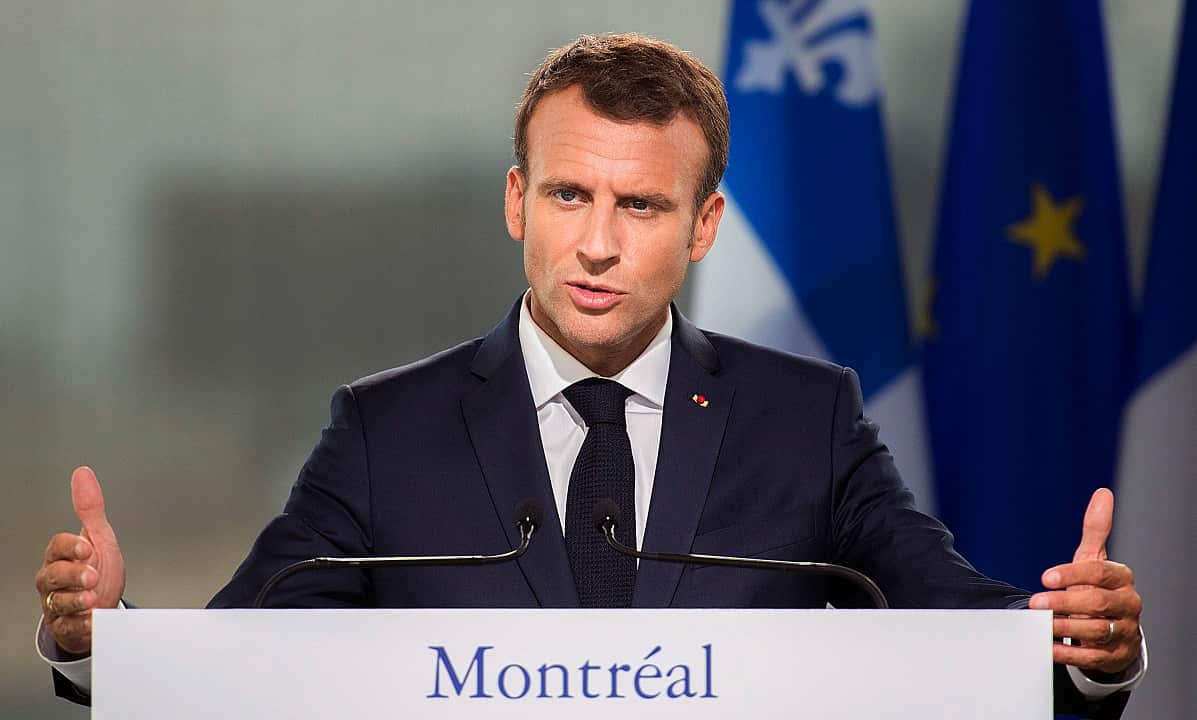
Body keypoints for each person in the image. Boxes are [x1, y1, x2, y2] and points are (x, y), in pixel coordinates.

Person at [34, 33, 1144, 716]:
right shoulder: (386, 430)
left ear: (703, 226)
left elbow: (972, 637)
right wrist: (110, 634)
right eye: (570, 196)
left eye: (642, 205)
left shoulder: (808, 422)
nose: (598, 245)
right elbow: (234, 670)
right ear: (519, 201)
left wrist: (1085, 646)